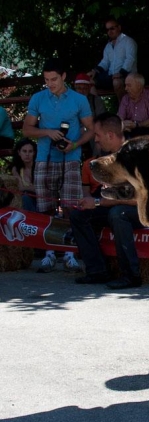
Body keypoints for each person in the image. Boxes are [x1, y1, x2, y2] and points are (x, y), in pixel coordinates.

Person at [22, 58, 95, 273]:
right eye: (46, 80)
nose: (50, 83)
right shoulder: (38, 98)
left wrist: (74, 144)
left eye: (54, 79)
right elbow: (27, 129)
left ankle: (71, 253)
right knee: (46, 206)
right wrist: (47, 132)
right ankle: (49, 253)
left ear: (63, 77)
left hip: (71, 157)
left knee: (70, 206)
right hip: (44, 156)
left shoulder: (78, 100)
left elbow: (91, 129)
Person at [70, 113, 145, 290]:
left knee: (118, 214)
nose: (95, 140)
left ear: (110, 136)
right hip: (120, 205)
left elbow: (137, 199)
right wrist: (91, 201)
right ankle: (98, 271)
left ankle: (131, 275)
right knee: (78, 215)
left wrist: (97, 203)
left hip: (145, 209)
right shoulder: (109, 158)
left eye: (97, 135)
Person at [89, 18, 137, 102]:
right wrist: (95, 71)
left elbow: (130, 59)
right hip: (111, 77)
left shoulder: (128, 41)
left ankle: (124, 111)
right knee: (89, 81)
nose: (109, 31)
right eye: (107, 29)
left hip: (127, 76)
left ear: (119, 27)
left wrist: (121, 73)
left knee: (117, 82)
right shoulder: (108, 46)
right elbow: (105, 63)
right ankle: (99, 110)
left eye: (112, 28)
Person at [117, 72, 149, 137]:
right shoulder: (125, 98)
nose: (126, 88)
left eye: (129, 85)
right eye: (125, 85)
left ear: (139, 86)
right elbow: (119, 117)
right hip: (129, 130)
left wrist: (136, 125)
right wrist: (123, 124)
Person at [74, 72, 106, 156]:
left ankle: (96, 162)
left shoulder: (96, 101)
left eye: (84, 88)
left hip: (92, 131)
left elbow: (102, 119)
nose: (82, 91)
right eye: (79, 88)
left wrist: (85, 129)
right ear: (75, 89)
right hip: (75, 132)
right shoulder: (69, 102)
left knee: (99, 137)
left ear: (89, 88)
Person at [10, 138, 37, 212]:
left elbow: (43, 191)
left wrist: (26, 188)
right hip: (26, 200)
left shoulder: (39, 166)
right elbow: (20, 188)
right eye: (24, 151)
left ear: (34, 153)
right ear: (19, 152)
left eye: (30, 151)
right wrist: (34, 188)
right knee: (25, 198)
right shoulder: (16, 169)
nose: (27, 154)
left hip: (42, 200)